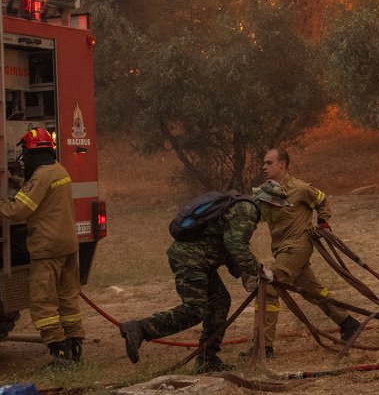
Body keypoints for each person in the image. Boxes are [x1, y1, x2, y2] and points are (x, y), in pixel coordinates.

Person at [118, 191, 268, 373]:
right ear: (270, 204)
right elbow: (236, 246)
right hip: (191, 259)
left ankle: (207, 359)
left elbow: (225, 244)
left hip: (200, 259)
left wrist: (244, 273)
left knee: (220, 301)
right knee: (195, 309)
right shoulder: (248, 210)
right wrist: (258, 270)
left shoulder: (240, 208)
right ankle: (141, 328)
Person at [0, 128, 84, 364]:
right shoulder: (59, 170)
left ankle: (60, 354)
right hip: (68, 245)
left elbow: (18, 211)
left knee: (43, 302)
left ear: (33, 153)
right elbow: (39, 188)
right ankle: (75, 348)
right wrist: (15, 179)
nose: (24, 158)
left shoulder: (41, 176)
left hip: (47, 248)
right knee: (68, 298)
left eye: (25, 152)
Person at [253, 148, 359, 357]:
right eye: (264, 163)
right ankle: (348, 323)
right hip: (282, 249)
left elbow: (322, 200)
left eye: (269, 163)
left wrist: (323, 221)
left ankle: (263, 347)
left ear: (282, 165)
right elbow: (253, 214)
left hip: (297, 247)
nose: (264, 167)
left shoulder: (300, 188)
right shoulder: (266, 193)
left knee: (268, 287)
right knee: (313, 290)